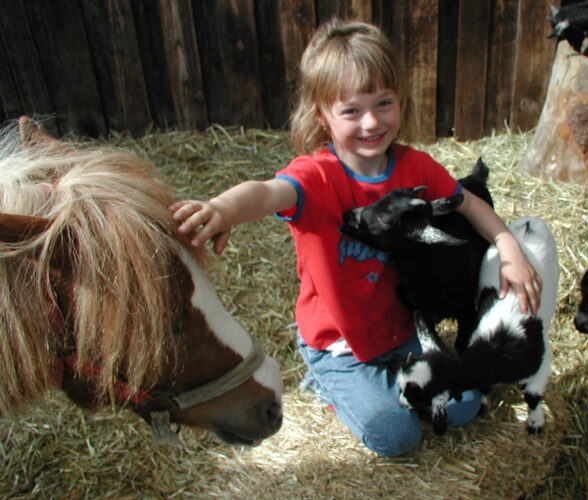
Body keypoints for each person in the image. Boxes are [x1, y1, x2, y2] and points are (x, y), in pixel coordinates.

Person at [170, 18, 542, 456]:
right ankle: (323, 380)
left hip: (401, 331)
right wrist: (223, 208)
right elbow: (266, 193)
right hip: (339, 344)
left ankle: (390, 387)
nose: (371, 122)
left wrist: (509, 246)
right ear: (322, 116)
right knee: (396, 436)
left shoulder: (416, 168)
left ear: (401, 101)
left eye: (383, 103)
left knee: (464, 406)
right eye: (351, 110)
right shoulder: (315, 178)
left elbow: (469, 204)